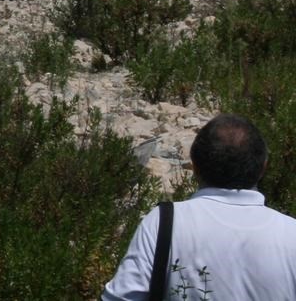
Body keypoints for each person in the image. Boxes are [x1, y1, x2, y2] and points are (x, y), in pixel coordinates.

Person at [101, 114, 296, 299]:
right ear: (263, 167)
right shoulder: (291, 233)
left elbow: (122, 297)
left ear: (194, 167)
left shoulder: (164, 222)